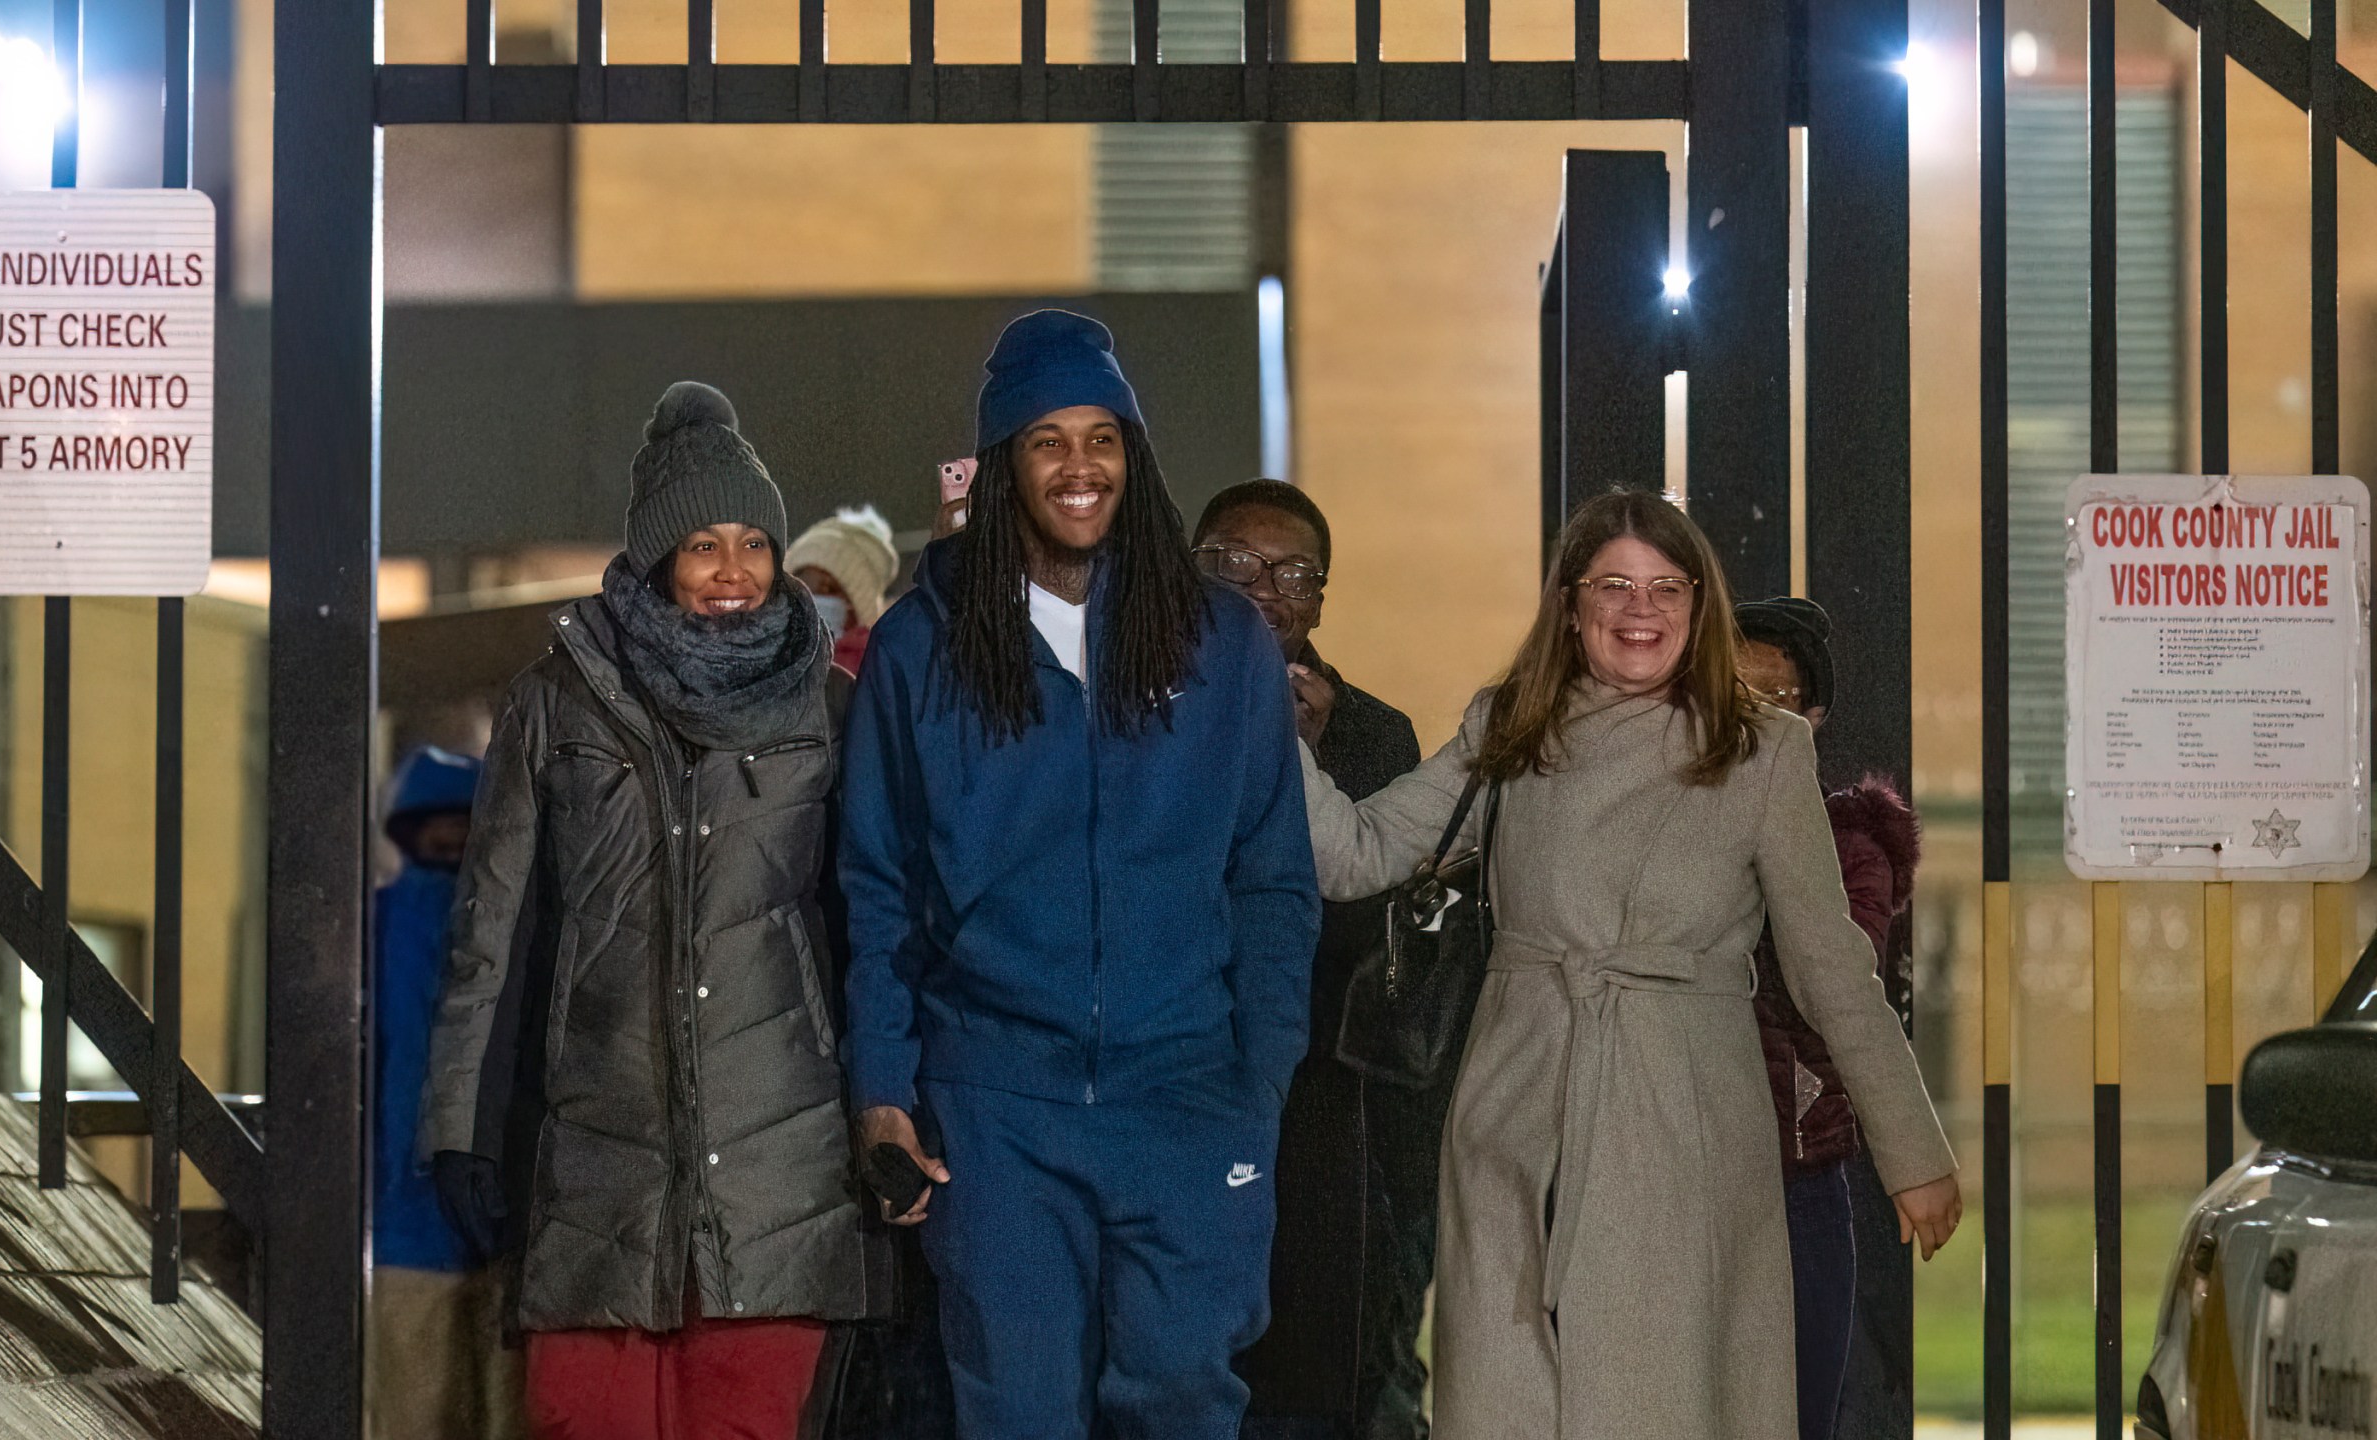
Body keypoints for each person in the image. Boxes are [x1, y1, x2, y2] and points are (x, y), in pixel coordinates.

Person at [1295, 489, 1961, 1439]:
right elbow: (1358, 851)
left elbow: (1828, 968)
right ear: (1572, 604)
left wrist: (1914, 1154)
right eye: (1614, 585)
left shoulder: (1762, 749)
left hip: (1683, 1117)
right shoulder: (1511, 726)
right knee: (1510, 1397)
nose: (1639, 609)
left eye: (1666, 587)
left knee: (1663, 1402)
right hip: (1518, 1114)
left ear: (1700, 606)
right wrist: (1268, 735)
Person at [838, 309, 1322, 1439]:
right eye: (1046, 439)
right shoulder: (924, 647)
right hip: (996, 1105)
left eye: (1101, 437)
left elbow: (1272, 879)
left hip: (1189, 1097)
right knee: (1018, 1414)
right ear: (1004, 462)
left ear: (1132, 457)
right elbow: (875, 885)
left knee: (1184, 1406)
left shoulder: (1221, 644)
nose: (1077, 467)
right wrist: (882, 1090)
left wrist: (1257, 1082)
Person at [420, 381, 891, 1440]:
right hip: (596, 1167)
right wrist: (463, 1129)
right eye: (702, 546)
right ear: (654, 557)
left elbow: (876, 933)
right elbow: (489, 930)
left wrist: (891, 1115)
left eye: (753, 545)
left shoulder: (832, 711)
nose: (733, 572)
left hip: (782, 1173)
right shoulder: (558, 701)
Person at [1191, 480, 1450, 1440]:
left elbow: (1359, 927)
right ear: (1191, 571)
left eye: (1294, 572)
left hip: (1325, 1116)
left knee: (1318, 1379)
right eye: (1235, 565)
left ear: (1322, 598)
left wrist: (1300, 754)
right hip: (1174, 1089)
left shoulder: (1371, 733)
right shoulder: (1136, 713)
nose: (1265, 589)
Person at [1733, 597, 1925, 1440]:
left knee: (1801, 1407)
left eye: (1777, 701)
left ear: (1813, 718)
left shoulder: (1851, 845)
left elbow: (1832, 986)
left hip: (1797, 1165)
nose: (1753, 718)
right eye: (1734, 693)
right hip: (1676, 1156)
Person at [372, 745, 526, 1440]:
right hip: (446, 1216)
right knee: (451, 1407)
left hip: (470, 1218)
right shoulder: (383, 924)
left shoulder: (376, 924)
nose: (450, 835)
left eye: (461, 821)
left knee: (442, 1410)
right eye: (436, 822)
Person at [789, 505, 901, 675]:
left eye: (828, 589)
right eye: (801, 584)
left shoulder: (876, 670)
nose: (812, 597)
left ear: (855, 606)